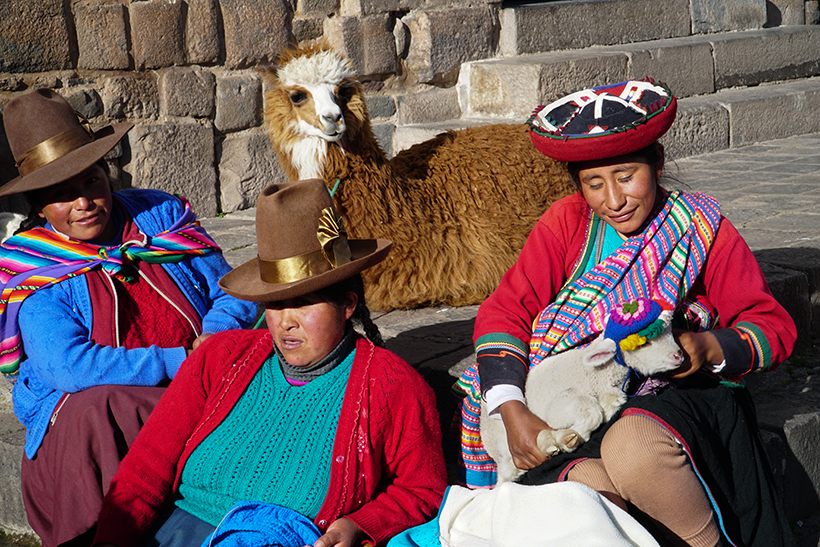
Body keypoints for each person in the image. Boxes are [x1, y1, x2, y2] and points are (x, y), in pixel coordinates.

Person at [455, 80, 796, 547]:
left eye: (626, 175)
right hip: (580, 396)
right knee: (585, 490)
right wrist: (511, 409)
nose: (613, 199)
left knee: (632, 450)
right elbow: (506, 311)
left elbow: (772, 327)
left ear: (656, 164)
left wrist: (709, 345)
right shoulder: (566, 224)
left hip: (673, 393)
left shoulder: (699, 227)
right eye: (594, 183)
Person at [91, 179, 448, 547]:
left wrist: (359, 524)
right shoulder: (220, 358)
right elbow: (146, 468)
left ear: (348, 305)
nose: (286, 321)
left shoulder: (393, 385)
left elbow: (422, 489)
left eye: (305, 302)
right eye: (275, 304)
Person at [0, 88, 259, 547]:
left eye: (92, 181)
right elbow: (69, 366)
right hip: (105, 427)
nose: (84, 202)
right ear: (39, 207)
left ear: (108, 175)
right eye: (62, 195)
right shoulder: (32, 268)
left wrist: (214, 341)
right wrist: (183, 361)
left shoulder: (159, 219)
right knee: (96, 408)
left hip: (203, 376)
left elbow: (233, 290)